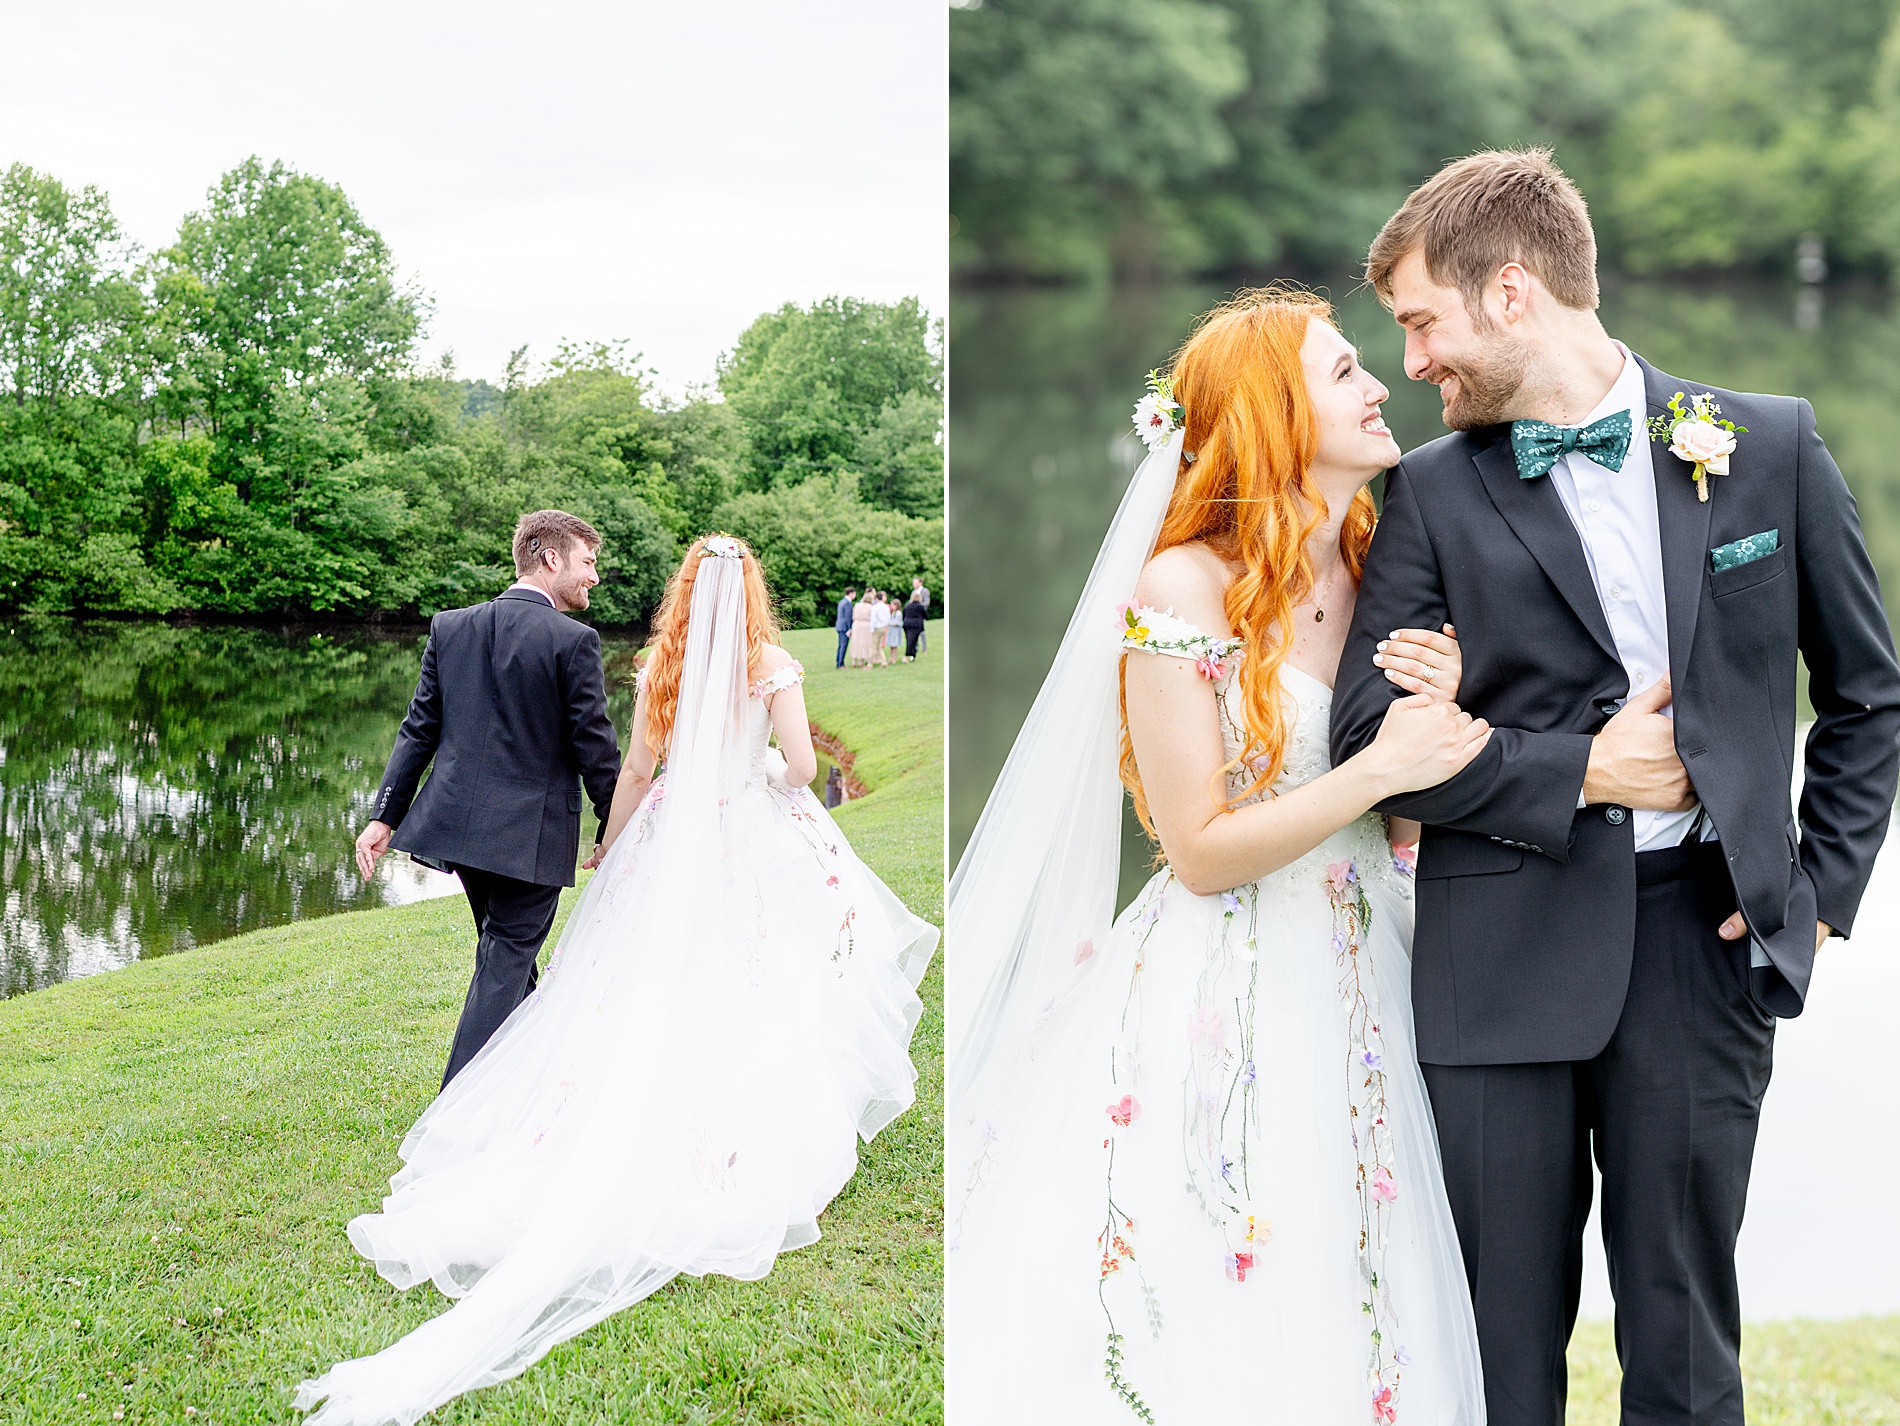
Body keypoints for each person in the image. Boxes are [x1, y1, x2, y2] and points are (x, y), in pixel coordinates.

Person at [1331, 149, 1900, 1426]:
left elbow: (1868, 695)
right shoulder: (1423, 491)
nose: (1412, 363)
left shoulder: (1769, 446)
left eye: (1423, 322)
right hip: (1494, 957)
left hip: (1701, 949)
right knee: (1490, 1357)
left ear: (1514, 293)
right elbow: (1368, 736)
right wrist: (1576, 769)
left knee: (1684, 1344)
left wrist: (1814, 895)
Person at [947, 289, 1491, 1422]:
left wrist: (1435, 734)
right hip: (1228, 974)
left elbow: (1399, 823)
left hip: (1370, 960)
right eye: (1345, 372)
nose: (1382, 383)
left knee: (1365, 1252)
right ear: (1274, 414)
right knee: (1232, 1242)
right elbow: (1195, 849)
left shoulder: (1382, 559)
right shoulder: (1180, 587)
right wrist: (1382, 769)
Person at [299, 535, 938, 1425]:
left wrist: (618, 843)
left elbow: (634, 769)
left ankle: (511, 1104)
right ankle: (691, 1117)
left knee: (617, 981)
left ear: (683, 590)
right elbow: (800, 769)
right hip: (737, 832)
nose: (594, 575)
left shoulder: (656, 666)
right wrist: (746, 774)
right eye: (586, 560)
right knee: (754, 970)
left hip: (626, 829)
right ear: (752, 590)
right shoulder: (768, 663)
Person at [354, 508, 621, 1088]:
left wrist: (384, 815)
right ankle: (455, 1117)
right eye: (588, 562)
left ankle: (532, 1090)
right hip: (530, 841)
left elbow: (418, 729)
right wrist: (615, 824)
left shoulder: (452, 627)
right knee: (503, 965)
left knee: (506, 961)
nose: (594, 576)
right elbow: (594, 749)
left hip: (462, 835)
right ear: (551, 559)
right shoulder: (575, 642)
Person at [848, 587, 875, 668]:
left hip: (856, 624)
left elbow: (853, 616)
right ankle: (861, 661)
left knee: (855, 642)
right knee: (864, 643)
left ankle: (854, 661)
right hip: (865, 625)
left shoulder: (857, 605)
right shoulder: (870, 607)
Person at [835, 585, 858, 669]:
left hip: (840, 626)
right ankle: (840, 664)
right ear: (851, 593)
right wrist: (850, 628)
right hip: (844, 627)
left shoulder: (842, 601)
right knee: (843, 645)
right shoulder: (847, 603)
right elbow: (848, 617)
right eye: (854, 593)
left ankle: (839, 662)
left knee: (840, 645)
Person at [869, 590, 893, 668]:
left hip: (877, 628)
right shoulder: (886, 607)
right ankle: (883, 662)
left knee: (873, 647)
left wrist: (871, 629)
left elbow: (873, 620)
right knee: (879, 647)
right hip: (884, 628)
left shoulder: (874, 608)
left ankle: (870, 663)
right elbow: (888, 618)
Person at [902, 588, 927, 661]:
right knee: (913, 640)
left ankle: (913, 655)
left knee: (909, 639)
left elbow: (904, 615)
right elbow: (926, 615)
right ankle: (906, 655)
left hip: (907, 624)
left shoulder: (907, 606)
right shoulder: (920, 607)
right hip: (916, 625)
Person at [911, 575, 930, 656]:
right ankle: (916, 648)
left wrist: (918, 607)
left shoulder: (925, 591)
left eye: (915, 582)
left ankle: (924, 649)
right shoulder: (913, 592)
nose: (914, 584)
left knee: (922, 633)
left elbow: (926, 602)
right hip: (913, 615)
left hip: (920, 614)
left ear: (920, 583)